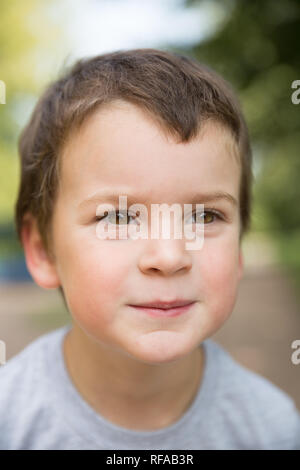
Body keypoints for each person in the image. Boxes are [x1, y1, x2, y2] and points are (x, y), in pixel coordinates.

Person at [0, 48, 299, 450]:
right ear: (42, 251)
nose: (169, 257)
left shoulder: (272, 429)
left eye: (205, 216)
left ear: (240, 246)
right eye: (119, 219)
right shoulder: (10, 419)